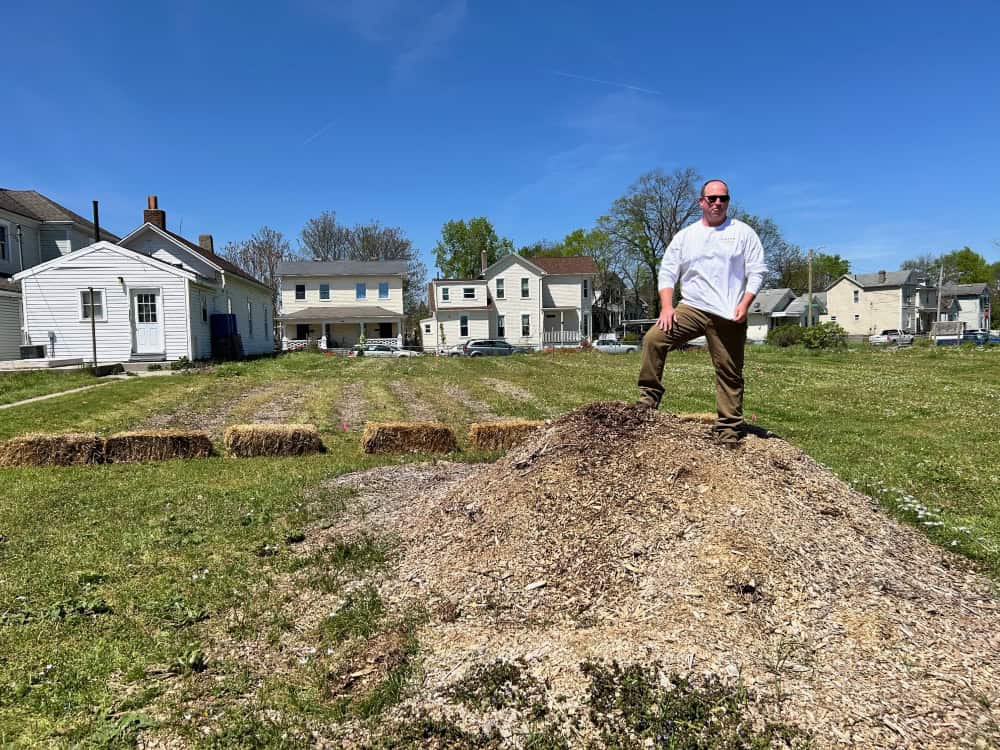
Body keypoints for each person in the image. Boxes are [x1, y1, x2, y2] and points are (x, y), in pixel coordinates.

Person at [636, 179, 767, 446]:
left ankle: (729, 428)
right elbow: (668, 272)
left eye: (723, 198)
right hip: (691, 308)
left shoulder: (743, 233)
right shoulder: (686, 236)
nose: (718, 203)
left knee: (729, 371)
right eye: (712, 198)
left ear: (728, 202)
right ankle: (647, 403)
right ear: (701, 202)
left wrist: (745, 303)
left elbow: (757, 271)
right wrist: (667, 306)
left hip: (729, 312)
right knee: (653, 339)